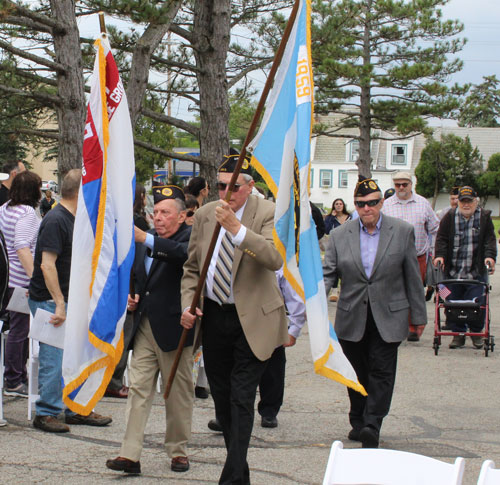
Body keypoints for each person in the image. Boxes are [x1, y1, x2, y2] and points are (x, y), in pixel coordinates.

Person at [180, 152, 288, 484]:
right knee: (223, 400)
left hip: (253, 319)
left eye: (234, 187)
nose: (226, 194)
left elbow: (273, 258)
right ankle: (239, 472)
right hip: (214, 317)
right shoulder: (206, 214)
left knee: (243, 397)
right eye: (221, 186)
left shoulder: (268, 212)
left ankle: (231, 479)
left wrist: (238, 230)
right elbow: (191, 269)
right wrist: (188, 303)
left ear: (249, 186)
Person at [323, 176, 426, 449]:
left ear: (381, 203)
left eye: (371, 203)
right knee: (356, 372)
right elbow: (328, 275)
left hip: (389, 315)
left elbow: (412, 277)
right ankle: (358, 419)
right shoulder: (338, 235)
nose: (366, 209)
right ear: (354, 206)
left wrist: (419, 317)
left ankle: (372, 423)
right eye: (360, 204)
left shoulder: (402, 231)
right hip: (351, 315)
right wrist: (315, 308)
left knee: (382, 370)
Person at [106, 185, 194, 475]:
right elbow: (138, 273)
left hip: (175, 329)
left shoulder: (188, 238)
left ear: (181, 216)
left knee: (177, 394)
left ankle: (178, 451)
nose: (158, 217)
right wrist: (133, 294)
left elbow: (182, 256)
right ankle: (129, 455)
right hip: (144, 326)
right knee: (139, 391)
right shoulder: (149, 240)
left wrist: (147, 239)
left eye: (165, 213)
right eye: (155, 212)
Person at [28, 169, 112, 432]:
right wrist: (60, 303)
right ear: (82, 192)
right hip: (51, 300)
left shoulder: (76, 218)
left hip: (71, 298)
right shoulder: (56, 220)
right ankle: (46, 412)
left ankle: (75, 407)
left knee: (76, 356)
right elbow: (47, 265)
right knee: (55, 358)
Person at [208, 266, 306, 432]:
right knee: (231, 371)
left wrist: (293, 329)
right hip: (235, 319)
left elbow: (293, 294)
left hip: (267, 320)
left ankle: (269, 410)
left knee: (272, 370)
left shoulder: (277, 254)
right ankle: (226, 415)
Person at [434, 186, 497, 349]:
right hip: (453, 271)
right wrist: (440, 255)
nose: (466, 204)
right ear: (459, 202)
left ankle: (476, 334)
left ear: (475, 201)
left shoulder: (484, 217)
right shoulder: (449, 217)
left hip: (475, 273)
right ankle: (458, 334)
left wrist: (490, 257)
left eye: (469, 201)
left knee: (478, 304)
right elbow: (441, 239)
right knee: (451, 302)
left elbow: (489, 240)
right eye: (463, 201)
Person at [105, 182, 151, 399]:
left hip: (117, 287)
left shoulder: (113, 220)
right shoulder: (136, 222)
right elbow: (137, 260)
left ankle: (110, 379)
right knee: (122, 338)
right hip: (126, 288)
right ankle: (113, 381)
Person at [382, 171, 439, 342]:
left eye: (404, 184)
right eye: (397, 184)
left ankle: (414, 327)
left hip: (417, 256)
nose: (400, 188)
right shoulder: (387, 205)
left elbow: (435, 228)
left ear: (411, 184)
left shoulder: (423, 203)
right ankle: (396, 326)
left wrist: (434, 251)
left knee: (414, 292)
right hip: (392, 257)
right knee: (393, 292)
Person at [0, 171, 41, 397]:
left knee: (17, 330)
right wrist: (35, 279)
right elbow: (22, 246)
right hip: (21, 281)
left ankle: (17, 376)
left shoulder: (5, 208)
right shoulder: (27, 213)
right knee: (19, 331)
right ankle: (14, 380)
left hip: (7, 280)